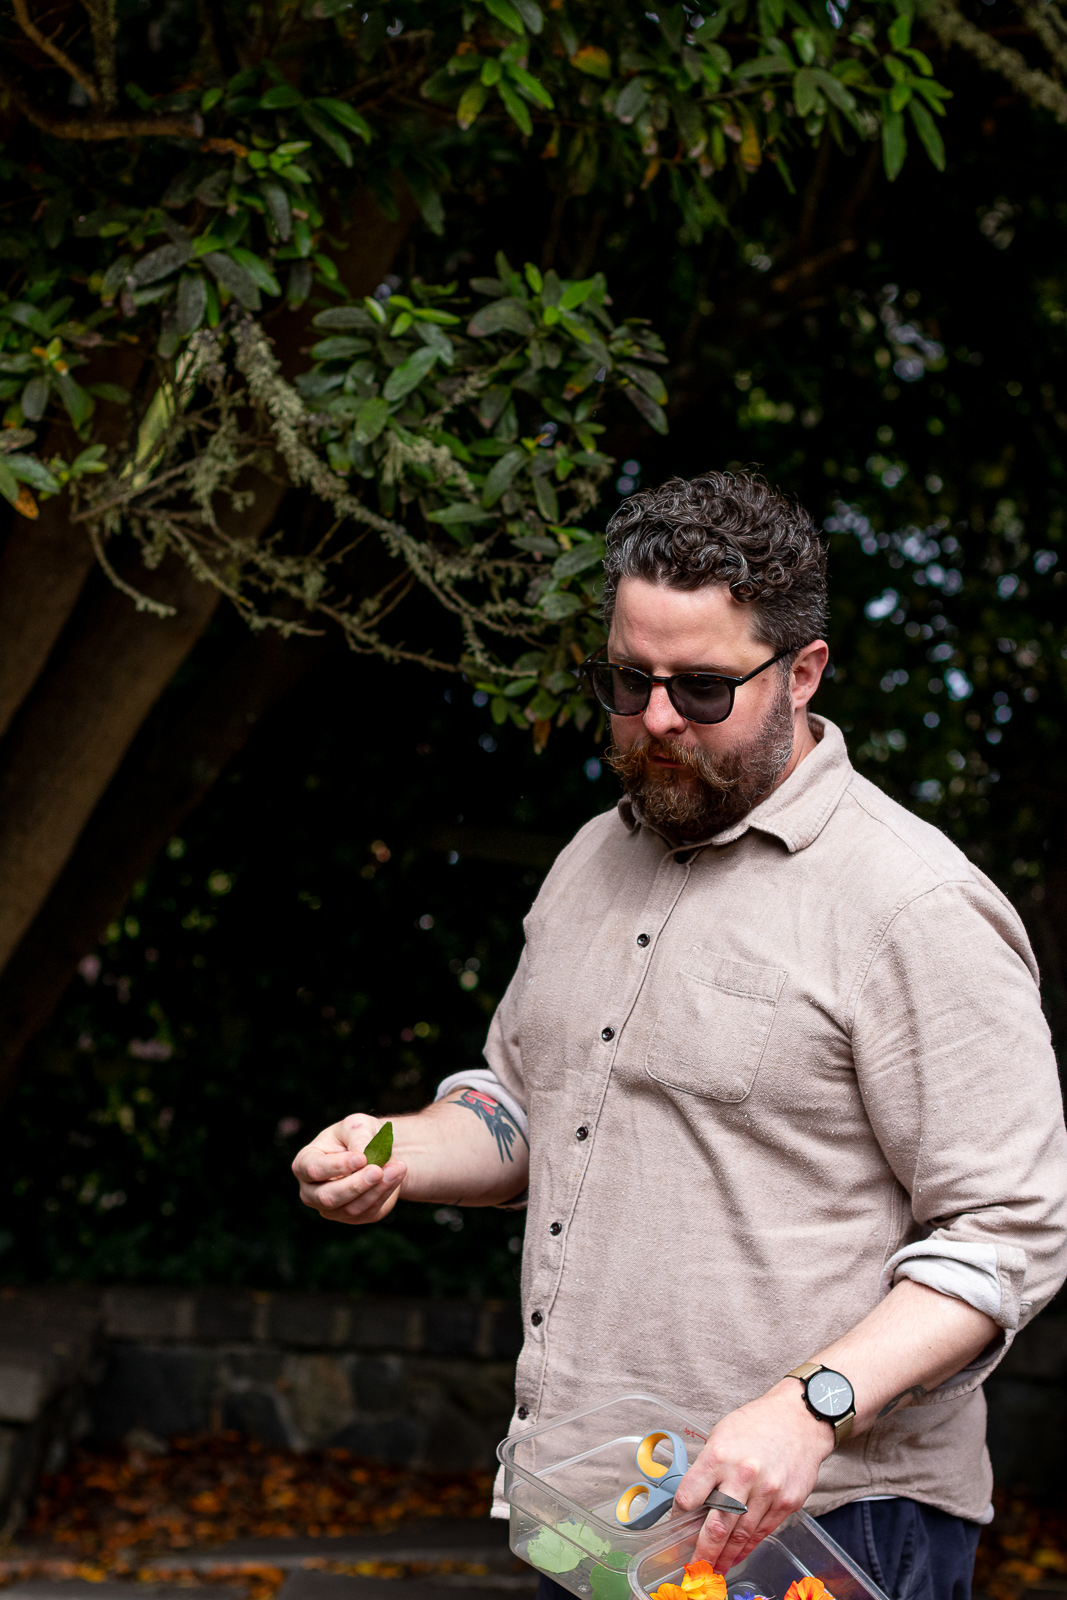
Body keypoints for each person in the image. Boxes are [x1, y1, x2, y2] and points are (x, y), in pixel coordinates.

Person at [292, 471, 1067, 1600]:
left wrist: (813, 1404)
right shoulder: (587, 860)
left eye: (702, 688)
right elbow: (523, 1103)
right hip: (591, 1517)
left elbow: (1009, 1228)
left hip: (824, 1532)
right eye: (627, 679)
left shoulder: (914, 905)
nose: (655, 718)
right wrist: (399, 1149)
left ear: (800, 673)